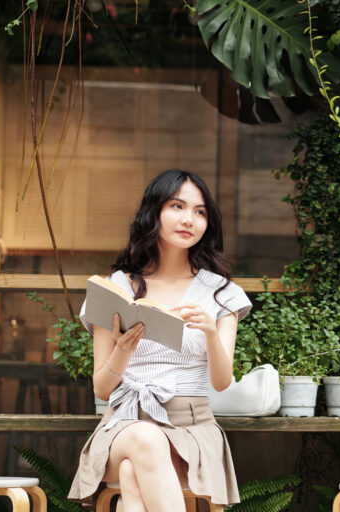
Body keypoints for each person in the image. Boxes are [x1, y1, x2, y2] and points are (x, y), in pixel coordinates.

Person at [68, 169, 251, 511]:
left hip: (192, 431)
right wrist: (122, 352)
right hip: (125, 426)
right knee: (145, 439)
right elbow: (102, 390)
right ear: (154, 213)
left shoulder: (223, 293)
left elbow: (221, 382)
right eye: (177, 206)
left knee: (132, 480)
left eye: (200, 211)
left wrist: (210, 332)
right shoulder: (118, 288)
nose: (189, 219)